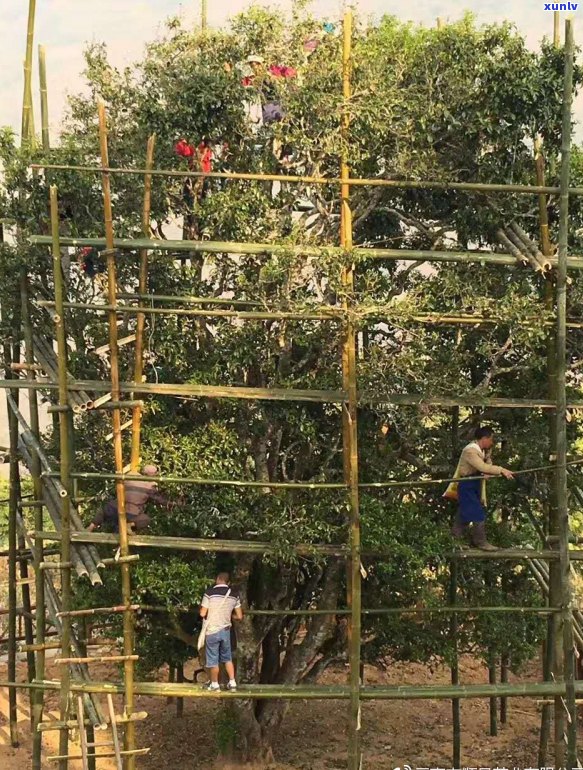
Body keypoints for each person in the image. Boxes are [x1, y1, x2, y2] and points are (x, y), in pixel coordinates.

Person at [448, 427, 514, 550]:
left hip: (475, 483)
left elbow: (486, 466)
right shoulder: (470, 451)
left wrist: (488, 457)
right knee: (477, 513)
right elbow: (482, 467)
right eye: (491, 439)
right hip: (467, 484)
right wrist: (501, 470)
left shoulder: (481, 451)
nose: (492, 442)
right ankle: (480, 541)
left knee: (464, 513)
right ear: (484, 439)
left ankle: (454, 540)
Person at [88, 464, 169, 533]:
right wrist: (173, 503)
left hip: (117, 508)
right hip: (131, 515)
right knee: (145, 519)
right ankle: (130, 526)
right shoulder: (151, 486)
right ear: (153, 475)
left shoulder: (130, 476)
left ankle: (91, 526)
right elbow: (161, 500)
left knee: (105, 509)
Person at [200, 572, 243, 691]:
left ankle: (214, 684)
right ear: (228, 582)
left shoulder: (209, 593)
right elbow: (239, 616)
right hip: (225, 631)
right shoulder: (234, 595)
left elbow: (203, 613)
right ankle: (232, 682)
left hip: (212, 630)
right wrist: (230, 616)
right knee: (227, 658)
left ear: (217, 579)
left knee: (213, 659)